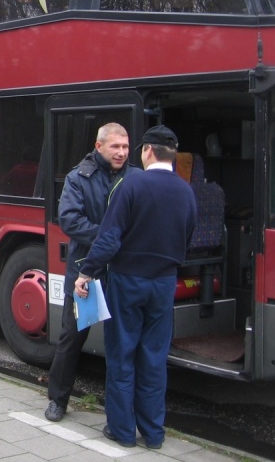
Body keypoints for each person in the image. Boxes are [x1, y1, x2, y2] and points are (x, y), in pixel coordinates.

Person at [75, 125, 197, 449]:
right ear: (173, 155)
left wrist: (86, 272)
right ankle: (154, 434)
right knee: (154, 359)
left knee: (122, 356)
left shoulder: (131, 184)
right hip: (164, 284)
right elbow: (188, 237)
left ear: (146, 151)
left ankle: (122, 431)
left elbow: (109, 238)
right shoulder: (186, 191)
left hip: (128, 282)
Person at [45, 122, 140, 422]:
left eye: (125, 147)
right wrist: (110, 237)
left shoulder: (136, 178)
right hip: (86, 273)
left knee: (125, 342)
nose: (122, 153)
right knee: (72, 339)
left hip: (123, 273)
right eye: (116, 147)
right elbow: (70, 221)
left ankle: (124, 412)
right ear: (99, 146)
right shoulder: (79, 178)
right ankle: (58, 401)